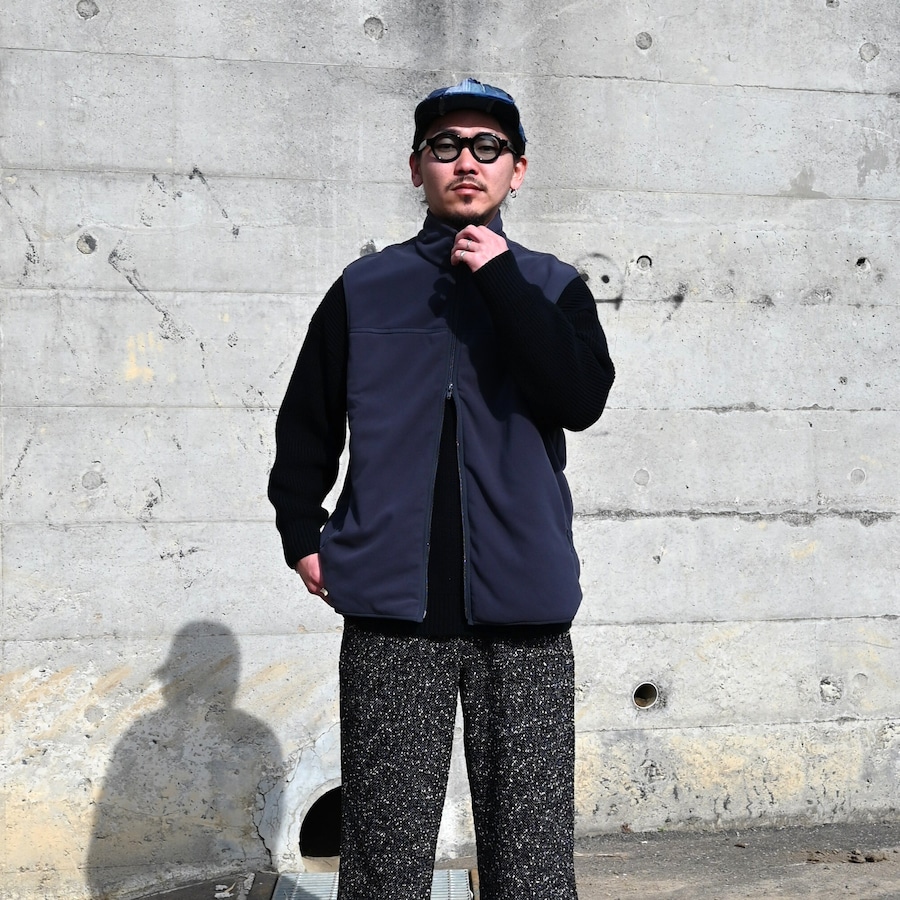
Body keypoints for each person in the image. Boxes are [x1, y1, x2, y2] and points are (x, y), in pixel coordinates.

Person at [268, 78, 615, 900]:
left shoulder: (552, 286)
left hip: (525, 606)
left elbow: (579, 399)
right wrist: (302, 535)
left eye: (488, 147)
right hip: (392, 610)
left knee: (532, 862)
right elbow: (307, 422)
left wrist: (501, 282)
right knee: (384, 860)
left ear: (517, 170)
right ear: (416, 166)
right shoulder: (366, 288)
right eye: (447, 146)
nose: (467, 161)